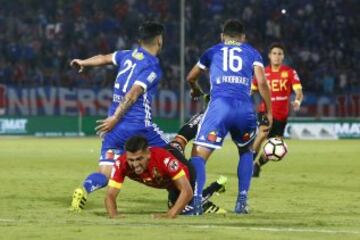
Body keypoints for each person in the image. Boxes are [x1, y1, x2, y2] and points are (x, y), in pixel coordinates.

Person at [69, 21, 170, 211]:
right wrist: (116, 116)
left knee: (105, 174)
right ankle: (193, 200)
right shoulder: (153, 66)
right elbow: (133, 93)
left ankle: (83, 190)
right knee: (176, 157)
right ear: (159, 40)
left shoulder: (127, 55)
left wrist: (84, 62)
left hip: (114, 130)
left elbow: (104, 58)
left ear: (140, 40)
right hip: (139, 127)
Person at [186, 19, 273, 215]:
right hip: (244, 108)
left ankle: (197, 201)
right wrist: (268, 111)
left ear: (222, 36)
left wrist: (196, 90)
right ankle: (242, 201)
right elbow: (262, 84)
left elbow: (190, 77)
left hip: (220, 106)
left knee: (198, 154)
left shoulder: (212, 51)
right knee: (246, 151)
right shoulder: (252, 52)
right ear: (243, 37)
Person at [105, 135, 227, 218]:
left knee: (187, 209)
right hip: (166, 182)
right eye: (131, 160)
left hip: (184, 175)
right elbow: (110, 195)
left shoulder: (164, 160)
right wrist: (114, 215)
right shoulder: (121, 163)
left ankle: (215, 186)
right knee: (176, 206)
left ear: (148, 154)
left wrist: (169, 215)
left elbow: (187, 191)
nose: (135, 164)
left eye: (139, 159)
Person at [251, 42, 303, 177]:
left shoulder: (290, 72)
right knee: (262, 133)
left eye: (279, 54)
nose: (277, 56)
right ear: (269, 56)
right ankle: (247, 164)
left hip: (281, 116)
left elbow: (299, 91)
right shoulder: (262, 72)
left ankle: (257, 165)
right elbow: (251, 90)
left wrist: (297, 101)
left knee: (277, 147)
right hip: (266, 111)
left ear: (283, 56)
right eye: (274, 53)